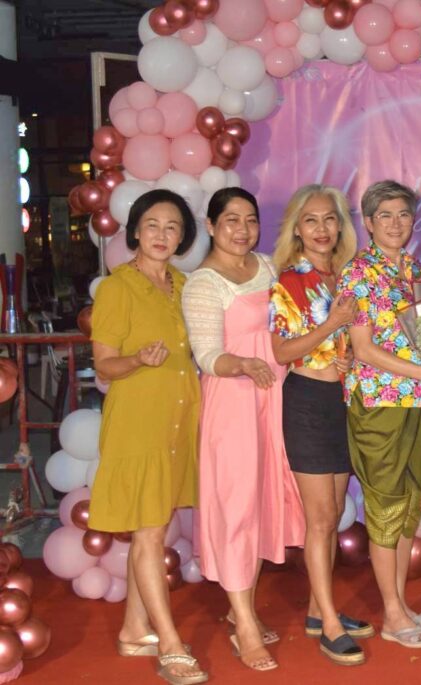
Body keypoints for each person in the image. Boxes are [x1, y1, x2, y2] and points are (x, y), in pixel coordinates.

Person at [338, 180, 421, 649]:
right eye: (385, 216)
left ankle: (399, 606)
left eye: (403, 215)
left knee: (410, 506)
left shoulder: (417, 270)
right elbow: (363, 349)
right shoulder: (358, 273)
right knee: (385, 506)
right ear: (368, 223)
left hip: (419, 403)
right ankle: (392, 615)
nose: (396, 224)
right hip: (379, 404)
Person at [181, 187, 305, 671]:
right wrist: (244, 364)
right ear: (211, 226)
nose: (242, 229)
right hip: (233, 402)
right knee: (235, 508)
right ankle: (245, 626)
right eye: (230, 220)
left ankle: (242, 610)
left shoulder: (268, 268)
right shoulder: (203, 283)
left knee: (260, 504)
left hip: (271, 399)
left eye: (250, 219)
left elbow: (287, 328)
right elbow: (207, 354)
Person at [89, 189, 208, 685]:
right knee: (149, 532)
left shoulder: (184, 285)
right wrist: (137, 359)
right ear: (135, 231)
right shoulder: (117, 288)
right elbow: (104, 365)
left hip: (178, 421)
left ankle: (134, 630)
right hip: (138, 424)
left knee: (153, 524)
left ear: (183, 238)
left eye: (173, 226)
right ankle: (172, 645)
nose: (162, 234)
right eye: (153, 225)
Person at [268, 184, 372, 666]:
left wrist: (347, 357)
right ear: (297, 229)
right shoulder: (289, 281)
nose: (322, 228)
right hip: (307, 402)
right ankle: (330, 624)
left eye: (330, 218)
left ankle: (317, 610)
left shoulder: (348, 276)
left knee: (332, 513)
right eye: (311, 220)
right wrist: (331, 325)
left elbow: (355, 341)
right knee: (321, 518)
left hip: (341, 401)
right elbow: (282, 352)